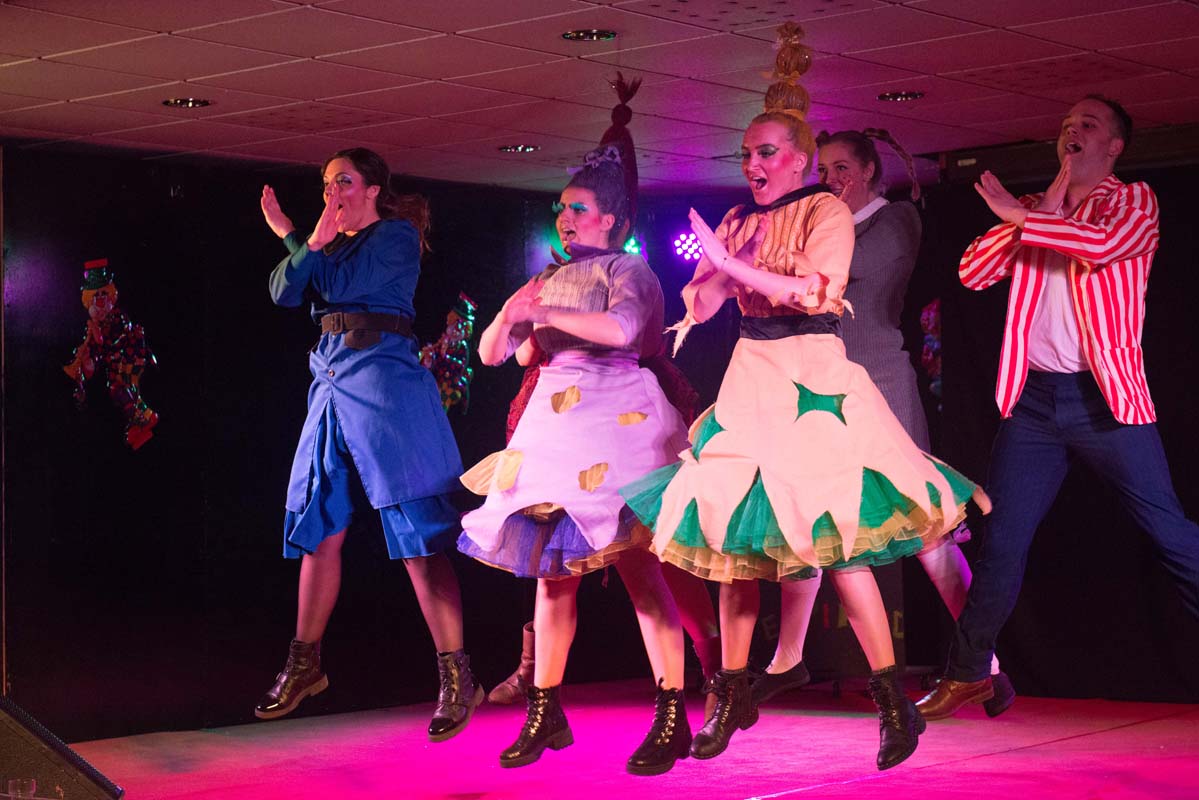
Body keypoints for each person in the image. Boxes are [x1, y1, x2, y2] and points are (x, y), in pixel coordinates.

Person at [621, 22, 988, 771]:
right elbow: (708, 301)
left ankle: (891, 702)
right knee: (731, 538)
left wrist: (737, 266)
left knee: (838, 539)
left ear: (798, 159)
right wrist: (707, 277)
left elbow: (815, 292)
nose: (752, 165)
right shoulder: (737, 220)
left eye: (766, 153)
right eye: (745, 154)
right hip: (752, 379)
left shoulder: (826, 212)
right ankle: (730, 692)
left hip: (813, 375)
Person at [916, 96, 1199, 719]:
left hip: (1105, 400)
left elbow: (1099, 246)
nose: (1073, 130)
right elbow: (972, 271)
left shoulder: (1133, 202)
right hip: (1036, 405)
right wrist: (1030, 215)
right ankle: (968, 673)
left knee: (1170, 534)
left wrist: (1027, 217)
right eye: (1067, 124)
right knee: (1002, 544)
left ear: (1114, 147)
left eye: (1088, 125)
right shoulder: (1040, 212)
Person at [457, 76, 693, 776]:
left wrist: (544, 313)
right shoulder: (548, 279)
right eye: (561, 208)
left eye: (578, 209)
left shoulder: (629, 270)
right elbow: (497, 354)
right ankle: (545, 708)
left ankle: (672, 711)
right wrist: (512, 314)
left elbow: (622, 331)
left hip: (616, 426)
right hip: (554, 432)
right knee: (552, 576)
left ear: (611, 221)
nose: (565, 219)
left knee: (639, 569)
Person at [753, 129, 1013, 717]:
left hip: (882, 389)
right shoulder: (823, 223)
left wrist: (786, 254)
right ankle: (786, 659)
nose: (831, 180)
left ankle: (986, 666)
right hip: (821, 394)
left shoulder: (893, 220)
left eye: (842, 168)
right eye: (824, 170)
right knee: (812, 520)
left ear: (870, 171)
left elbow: (839, 274)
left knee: (927, 534)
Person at [254, 148, 482, 743]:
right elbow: (282, 292)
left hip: (385, 384)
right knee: (318, 525)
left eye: (346, 181)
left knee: (417, 535)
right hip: (331, 382)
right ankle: (305, 663)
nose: (334, 192)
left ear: (374, 189)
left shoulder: (395, 237)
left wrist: (302, 242)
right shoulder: (329, 244)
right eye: (327, 183)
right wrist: (300, 240)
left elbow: (338, 284)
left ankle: (457, 677)